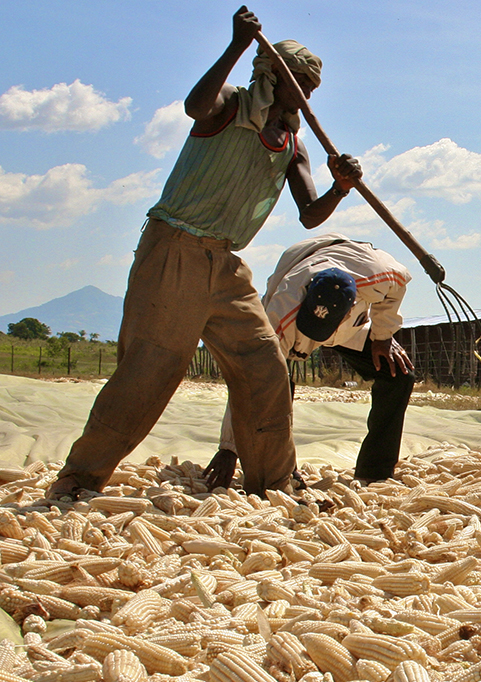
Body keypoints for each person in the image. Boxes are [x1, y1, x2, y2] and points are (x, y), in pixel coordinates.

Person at [48, 6, 362, 499]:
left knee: (264, 366)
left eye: (311, 89)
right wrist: (238, 44)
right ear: (269, 75)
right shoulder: (229, 104)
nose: (304, 96)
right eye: (296, 83)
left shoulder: (292, 145)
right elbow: (195, 105)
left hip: (227, 263)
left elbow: (309, 213)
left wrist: (341, 187)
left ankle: (273, 483)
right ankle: (79, 479)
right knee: (151, 369)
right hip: (174, 247)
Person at [204, 234, 414, 488]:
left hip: (350, 324)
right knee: (276, 385)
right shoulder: (279, 313)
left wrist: (383, 335)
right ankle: (281, 467)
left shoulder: (378, 274)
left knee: (398, 374)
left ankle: (375, 471)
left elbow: (398, 286)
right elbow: (250, 379)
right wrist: (229, 447)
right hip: (296, 306)